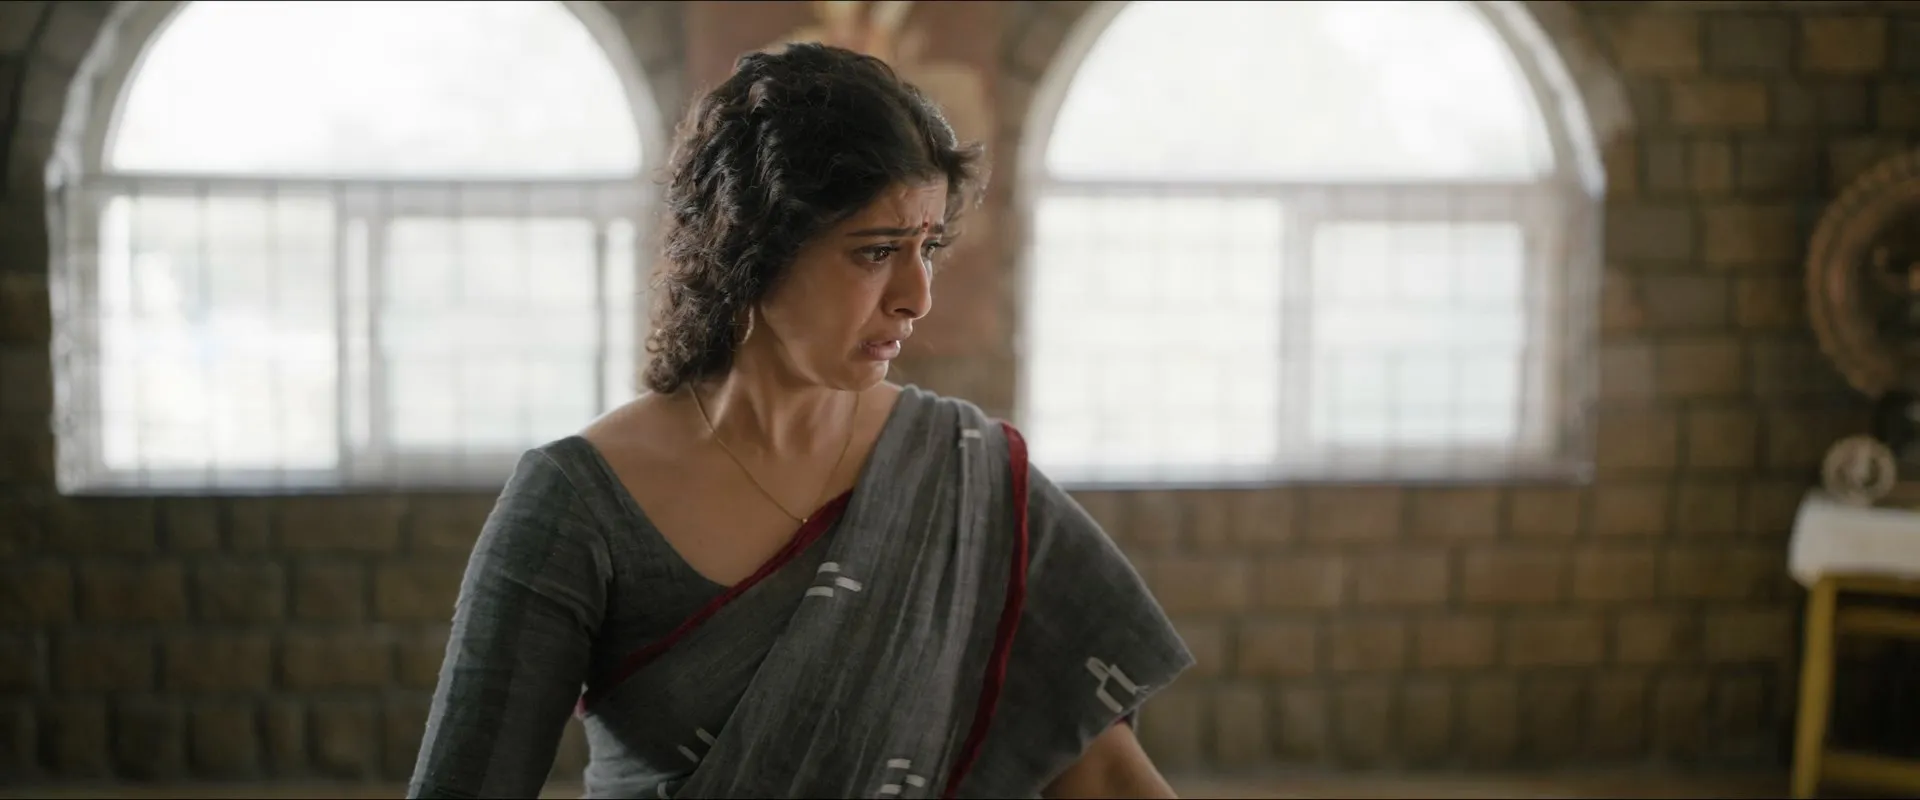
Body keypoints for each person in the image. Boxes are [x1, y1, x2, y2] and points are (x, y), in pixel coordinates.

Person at [407, 42, 1193, 799]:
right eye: (876, 252)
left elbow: (1105, 778)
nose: (917, 296)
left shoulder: (967, 477)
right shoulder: (577, 502)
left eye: (927, 247)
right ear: (755, 246)